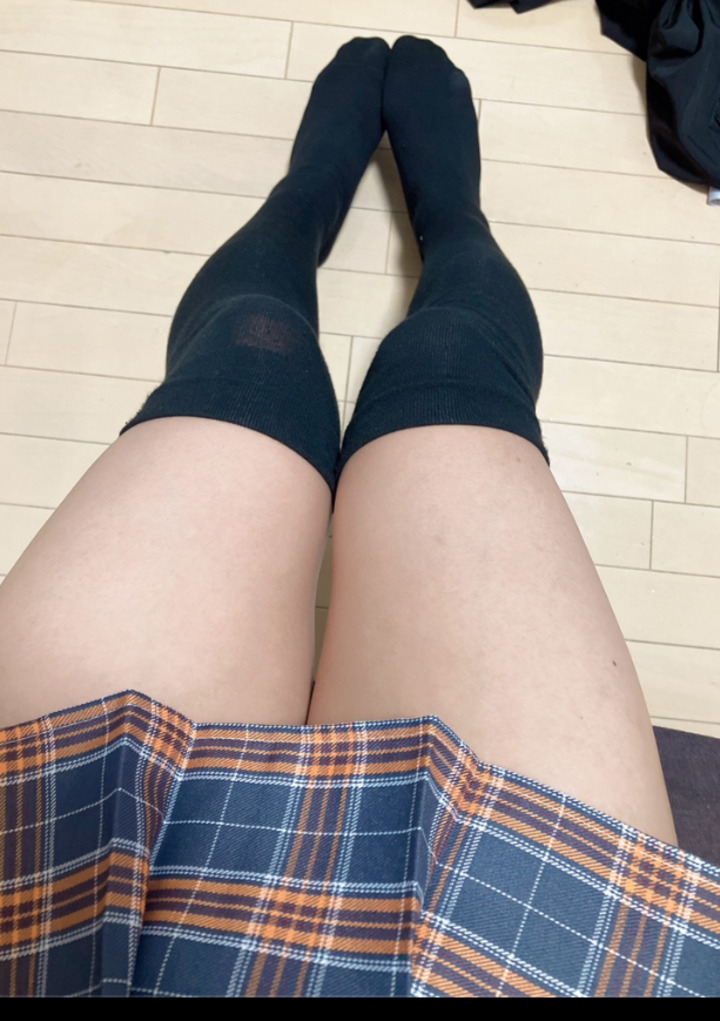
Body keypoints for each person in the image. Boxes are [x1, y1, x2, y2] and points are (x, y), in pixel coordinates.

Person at [1, 36, 718, 998]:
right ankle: (445, 215)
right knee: (454, 357)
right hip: (508, 952)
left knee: (248, 350)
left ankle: (308, 196)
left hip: (58, 907)